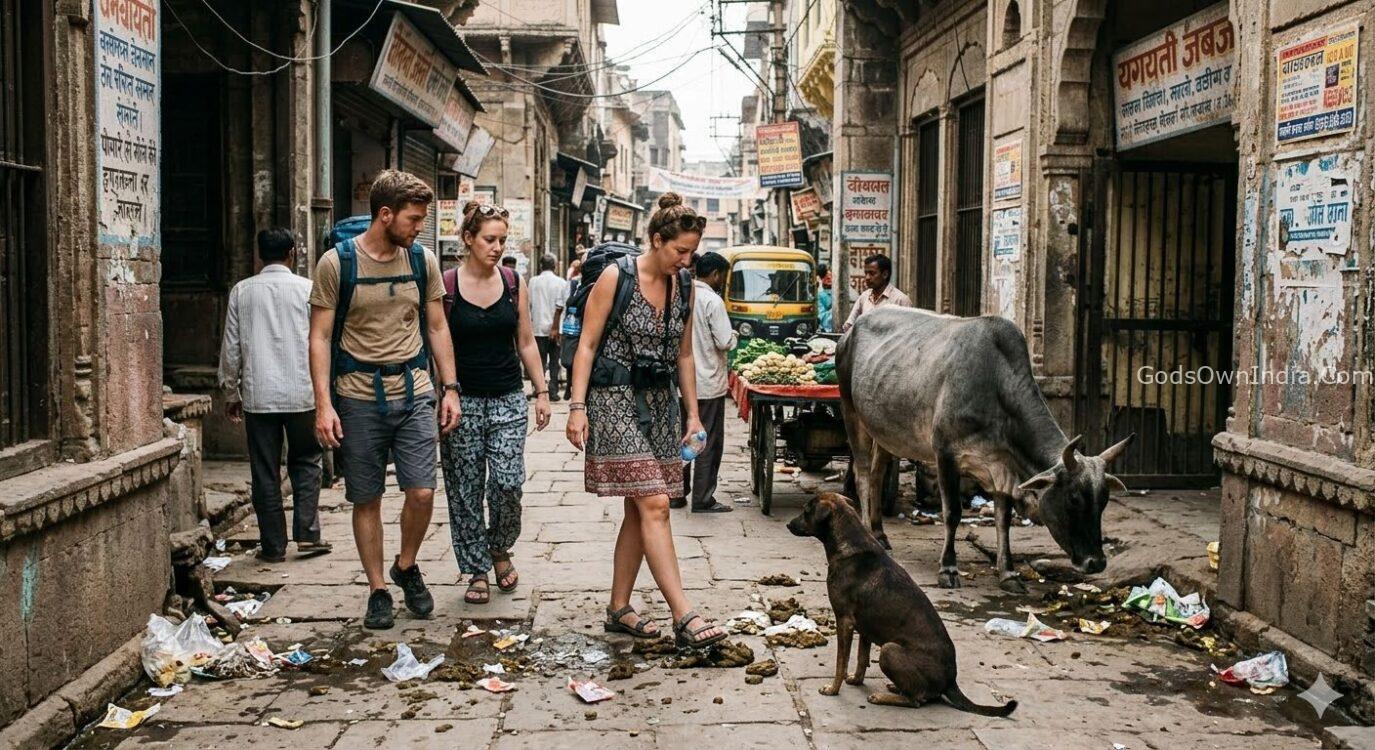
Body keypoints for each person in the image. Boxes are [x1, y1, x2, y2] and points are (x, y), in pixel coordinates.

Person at [566, 192, 728, 649]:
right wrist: (576, 407)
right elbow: (587, 345)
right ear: (657, 240)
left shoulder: (687, 286)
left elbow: (684, 355)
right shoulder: (617, 277)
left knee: (638, 510)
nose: (686, 260)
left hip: (659, 403)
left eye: (692, 252)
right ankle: (684, 614)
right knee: (655, 503)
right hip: (613, 399)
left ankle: (619, 608)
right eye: (680, 251)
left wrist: (692, 414)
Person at [308, 170, 462, 630]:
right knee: (366, 497)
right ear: (385, 214)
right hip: (357, 397)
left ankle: (406, 565)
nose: (420, 227)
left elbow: (437, 326)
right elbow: (319, 337)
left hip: (414, 392)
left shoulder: (421, 260)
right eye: (414, 219)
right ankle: (378, 588)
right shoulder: (337, 264)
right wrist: (323, 404)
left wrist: (450, 388)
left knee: (422, 491)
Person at [443, 203, 553, 605]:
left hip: (508, 398)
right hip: (463, 402)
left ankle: (499, 546)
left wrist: (542, 392)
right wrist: (446, 392)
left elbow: (526, 341)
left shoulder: (512, 282)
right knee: (466, 489)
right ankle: (476, 568)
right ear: (468, 239)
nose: (497, 247)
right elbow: (438, 342)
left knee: (508, 483)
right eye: (490, 239)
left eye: (502, 240)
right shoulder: (447, 286)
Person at [218, 228, 330, 562]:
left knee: (265, 470)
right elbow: (323, 341)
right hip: (303, 393)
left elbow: (231, 347)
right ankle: (307, 535)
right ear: (292, 253)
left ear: (259, 254)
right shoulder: (307, 289)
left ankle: (273, 546)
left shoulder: (242, 291)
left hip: (259, 395)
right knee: (307, 461)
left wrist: (231, 391)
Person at [681, 251, 736, 513]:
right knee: (707, 441)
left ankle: (676, 493)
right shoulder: (713, 301)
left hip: (682, 384)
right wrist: (734, 335)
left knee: (683, 438)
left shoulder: (682, 294)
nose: (722, 282)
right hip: (708, 383)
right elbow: (724, 341)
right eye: (722, 277)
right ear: (715, 274)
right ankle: (703, 498)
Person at [529, 252, 569, 402]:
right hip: (556, 328)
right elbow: (562, 306)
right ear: (554, 266)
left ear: (541, 266)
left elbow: (529, 304)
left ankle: (538, 389)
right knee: (554, 360)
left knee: (539, 360)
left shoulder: (533, 282)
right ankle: (553, 390)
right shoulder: (561, 282)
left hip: (538, 326)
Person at [842, 254, 912, 332]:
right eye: (866, 273)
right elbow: (849, 325)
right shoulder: (864, 297)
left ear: (885, 274)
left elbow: (908, 332)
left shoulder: (901, 300)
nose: (867, 277)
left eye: (872, 273)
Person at [556, 260, 583, 401]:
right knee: (570, 360)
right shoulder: (573, 284)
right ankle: (569, 386)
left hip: (581, 327)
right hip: (573, 327)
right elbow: (564, 305)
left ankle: (574, 387)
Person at [816, 262, 834, 333]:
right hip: (827, 329)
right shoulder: (819, 295)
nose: (829, 278)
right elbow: (822, 318)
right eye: (825, 277)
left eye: (830, 275)